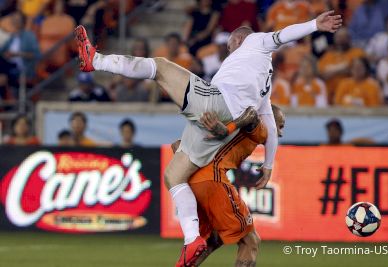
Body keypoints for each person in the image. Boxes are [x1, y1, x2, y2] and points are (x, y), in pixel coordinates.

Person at [75, 11, 342, 265]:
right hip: (219, 126)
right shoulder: (265, 83)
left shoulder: (254, 41)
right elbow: (269, 122)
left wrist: (314, 26)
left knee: (160, 67)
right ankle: (192, 239)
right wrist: (269, 164)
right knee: (173, 176)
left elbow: (282, 35)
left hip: (217, 104)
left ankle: (95, 60)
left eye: (229, 45)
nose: (228, 50)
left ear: (239, 38)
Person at [172, 105, 285, 267]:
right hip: (212, 178)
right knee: (250, 241)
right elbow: (252, 114)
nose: (280, 133)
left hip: (193, 178)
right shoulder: (259, 127)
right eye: (279, 126)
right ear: (269, 121)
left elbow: (179, 144)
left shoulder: (235, 125)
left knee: (212, 239)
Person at [317, 27, 365, 103]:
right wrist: (343, 68)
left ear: (349, 38)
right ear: (335, 39)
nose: (341, 40)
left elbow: (356, 71)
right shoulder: (328, 56)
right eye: (339, 37)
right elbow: (322, 75)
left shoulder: (357, 53)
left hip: (351, 96)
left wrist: (332, 70)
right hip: (329, 96)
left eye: (344, 37)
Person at [0, 11, 40, 82]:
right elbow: (2, 51)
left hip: (22, 68)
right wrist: (5, 54)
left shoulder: (29, 36)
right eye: (14, 19)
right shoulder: (11, 37)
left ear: (23, 22)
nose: (15, 22)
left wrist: (17, 54)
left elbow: (37, 55)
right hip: (8, 65)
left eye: (17, 20)